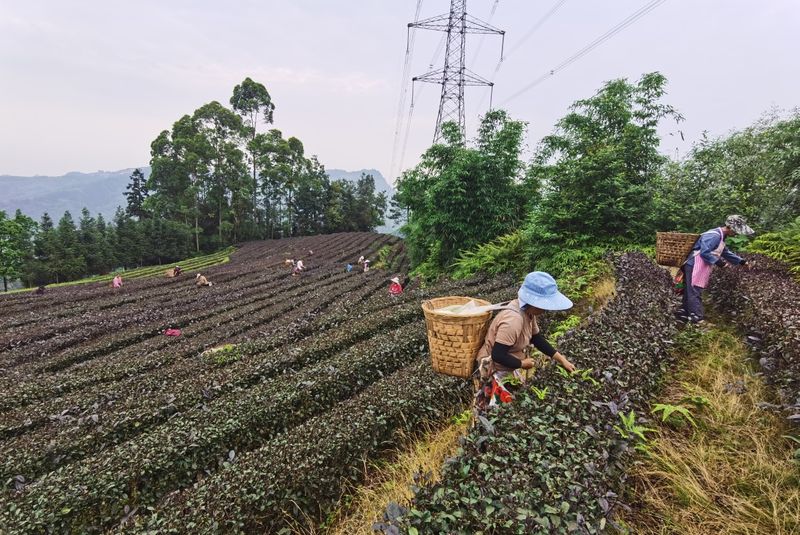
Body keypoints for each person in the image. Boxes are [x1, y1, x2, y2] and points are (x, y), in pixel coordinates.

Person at [474, 271, 576, 411]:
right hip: (495, 372)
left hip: (508, 370)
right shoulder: (513, 320)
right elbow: (498, 354)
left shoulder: (528, 313)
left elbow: (536, 338)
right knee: (492, 415)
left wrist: (562, 359)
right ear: (533, 302)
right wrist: (522, 363)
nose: (546, 310)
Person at [678, 215, 754, 325]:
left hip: (700, 264)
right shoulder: (714, 236)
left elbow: (725, 252)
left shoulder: (721, 236)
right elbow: (704, 252)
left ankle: (685, 313)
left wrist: (742, 262)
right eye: (736, 231)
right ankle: (697, 320)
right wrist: (720, 263)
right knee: (694, 291)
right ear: (730, 227)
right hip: (695, 263)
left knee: (691, 290)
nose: (737, 234)